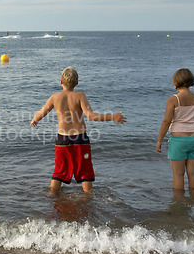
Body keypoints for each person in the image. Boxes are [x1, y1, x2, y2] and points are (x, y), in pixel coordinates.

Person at [31, 67, 126, 195]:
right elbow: (91, 116)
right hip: (80, 139)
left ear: (61, 82)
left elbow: (42, 112)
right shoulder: (80, 96)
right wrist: (112, 117)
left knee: (59, 170)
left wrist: (35, 119)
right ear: (76, 83)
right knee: (85, 170)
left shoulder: (55, 97)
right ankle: (87, 198)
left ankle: (52, 196)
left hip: (62, 140)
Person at [156, 68, 194, 190]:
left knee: (178, 174)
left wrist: (159, 140)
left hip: (178, 140)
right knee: (193, 173)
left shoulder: (174, 99)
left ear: (175, 82)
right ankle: (193, 198)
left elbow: (167, 121)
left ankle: (179, 202)